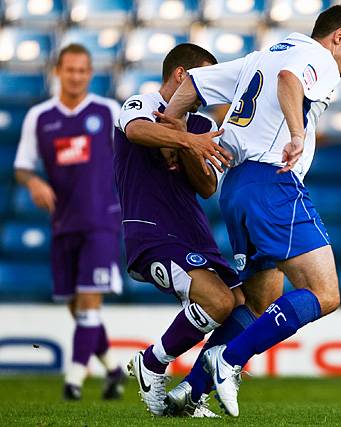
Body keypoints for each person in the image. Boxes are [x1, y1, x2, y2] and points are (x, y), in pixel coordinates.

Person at [164, 5, 341, 417]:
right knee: (325, 294)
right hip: (272, 181)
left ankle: (189, 391)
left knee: (261, 303)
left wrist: (173, 133)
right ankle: (229, 360)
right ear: (339, 36)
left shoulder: (259, 56)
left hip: (236, 188)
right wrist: (296, 133)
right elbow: (289, 81)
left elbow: (191, 86)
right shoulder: (319, 58)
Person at [113, 43, 251, 417]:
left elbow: (207, 186)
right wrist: (185, 139)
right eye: (203, 80)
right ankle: (153, 363)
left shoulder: (204, 126)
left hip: (193, 232)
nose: (207, 92)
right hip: (151, 229)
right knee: (219, 302)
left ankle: (192, 393)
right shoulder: (141, 103)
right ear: (181, 75)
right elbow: (136, 132)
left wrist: (190, 145)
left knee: (241, 306)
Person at [13, 44, 126, 401]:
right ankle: (113, 369)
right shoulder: (40, 117)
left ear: (90, 73)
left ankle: (73, 380)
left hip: (101, 220)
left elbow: (131, 159)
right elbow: (22, 165)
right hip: (63, 222)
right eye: (70, 69)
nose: (76, 76)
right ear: (58, 72)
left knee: (90, 299)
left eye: (82, 70)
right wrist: (33, 182)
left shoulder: (108, 112)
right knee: (76, 304)